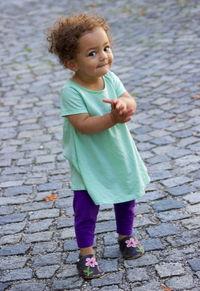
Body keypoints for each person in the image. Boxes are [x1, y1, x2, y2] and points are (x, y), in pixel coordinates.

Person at [47, 13, 150, 279]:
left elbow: (129, 100)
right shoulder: (72, 92)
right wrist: (111, 118)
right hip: (88, 159)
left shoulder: (111, 79)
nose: (104, 56)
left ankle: (125, 236)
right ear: (72, 63)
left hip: (116, 152)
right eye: (92, 53)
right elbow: (82, 125)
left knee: (126, 196)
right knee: (85, 208)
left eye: (106, 48)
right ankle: (86, 254)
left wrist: (126, 106)